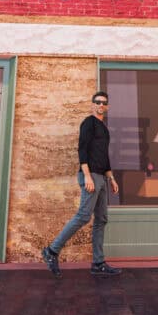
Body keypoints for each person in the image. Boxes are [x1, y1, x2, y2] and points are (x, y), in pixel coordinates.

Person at [41, 91, 122, 278]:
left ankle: (98, 263)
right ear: (92, 105)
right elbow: (82, 149)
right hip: (91, 176)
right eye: (97, 102)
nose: (101, 105)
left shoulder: (104, 128)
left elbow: (104, 158)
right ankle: (52, 251)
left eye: (104, 103)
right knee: (84, 216)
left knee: (101, 219)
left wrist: (112, 178)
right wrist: (87, 176)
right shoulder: (89, 123)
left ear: (107, 107)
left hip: (102, 177)